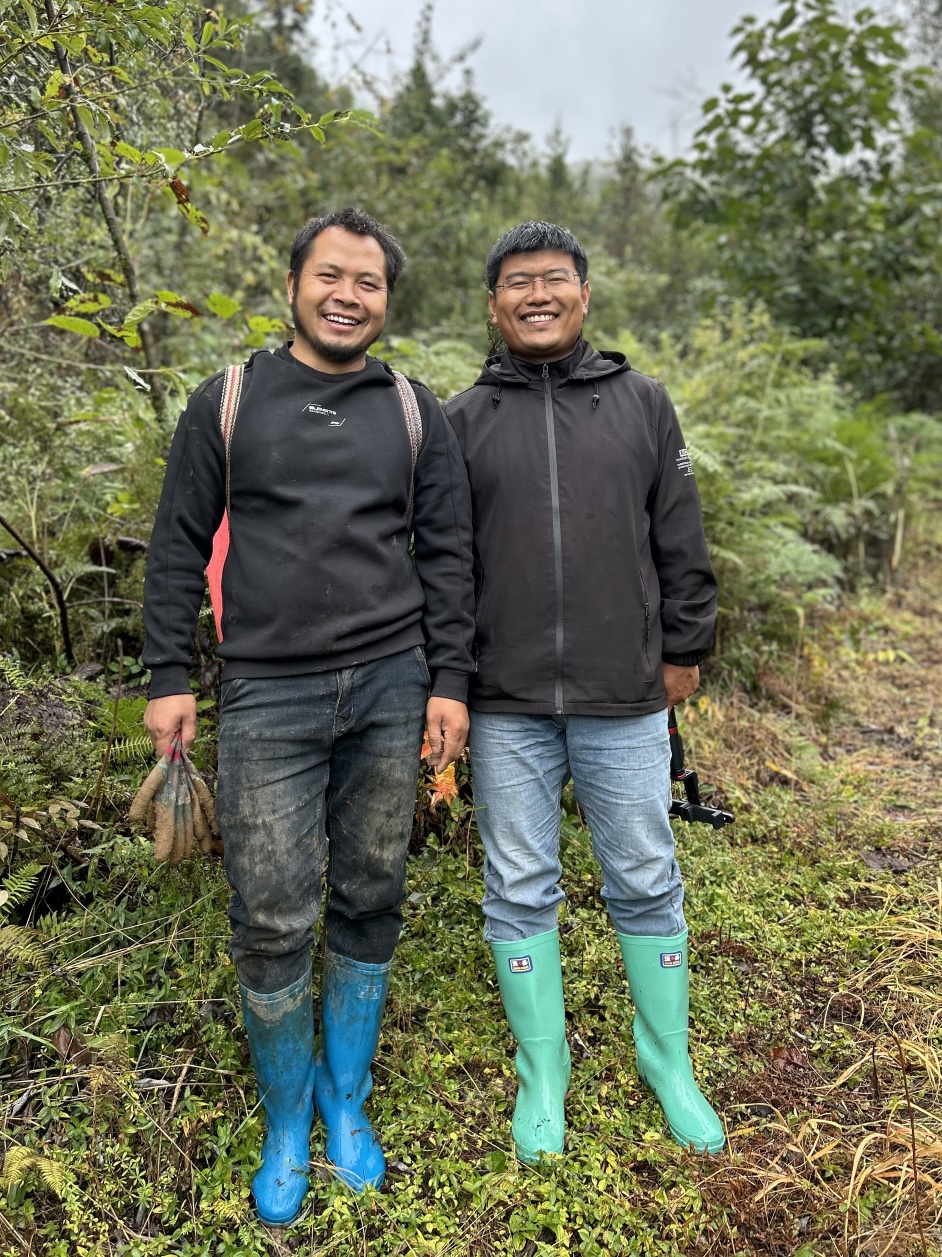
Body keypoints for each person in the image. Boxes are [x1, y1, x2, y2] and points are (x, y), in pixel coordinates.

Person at [141, 208, 475, 1223]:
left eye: (368, 282)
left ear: (387, 300)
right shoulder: (229, 401)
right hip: (266, 694)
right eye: (330, 275)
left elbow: (448, 554)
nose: (347, 295)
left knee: (372, 889)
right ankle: (289, 1117)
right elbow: (177, 541)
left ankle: (346, 1096)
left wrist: (450, 682)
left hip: (391, 684)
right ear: (293, 285)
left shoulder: (412, 410)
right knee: (272, 910)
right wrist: (167, 674)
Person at [444, 221, 724, 1163]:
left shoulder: (642, 403)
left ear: (584, 294)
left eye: (554, 278)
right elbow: (445, 567)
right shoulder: (461, 420)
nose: (538, 294)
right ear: (493, 305)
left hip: (625, 691)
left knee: (644, 874)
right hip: (504, 698)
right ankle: (544, 1071)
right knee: (518, 882)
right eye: (518, 282)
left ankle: (668, 1062)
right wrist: (452, 680)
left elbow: (679, 534)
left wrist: (683, 647)